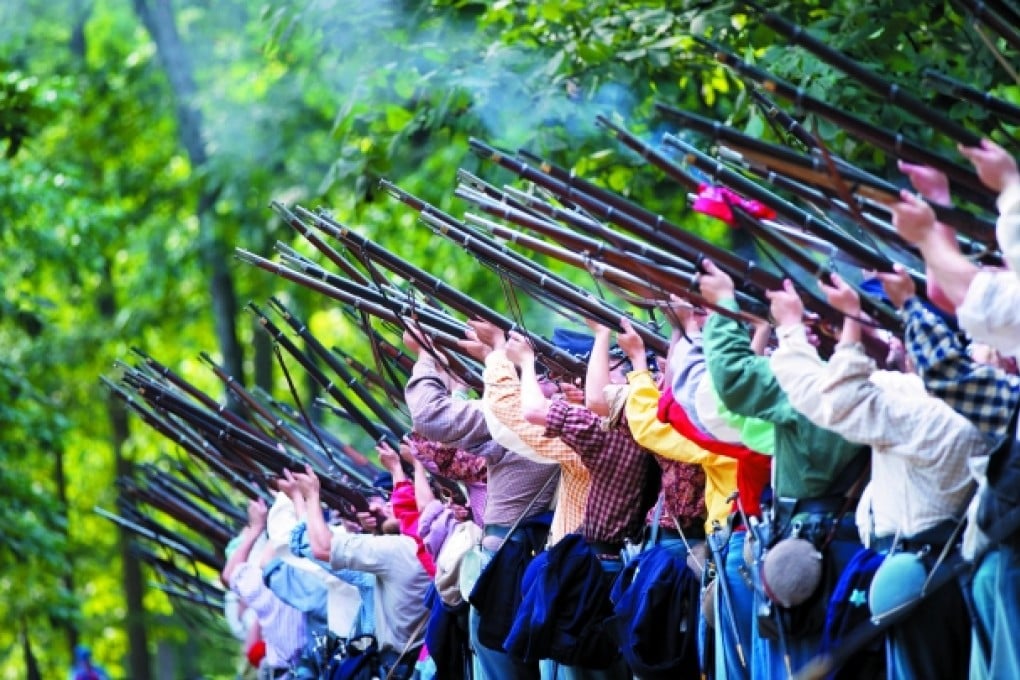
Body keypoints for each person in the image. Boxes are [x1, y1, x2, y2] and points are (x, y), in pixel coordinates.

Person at [769, 270, 982, 679]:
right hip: (918, 573)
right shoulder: (934, 398)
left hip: (920, 580)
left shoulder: (934, 414)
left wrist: (803, 329)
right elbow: (826, 394)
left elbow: (841, 400)